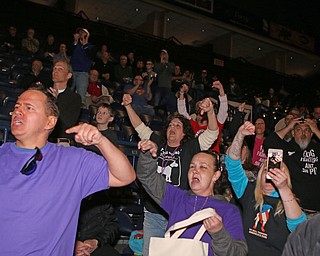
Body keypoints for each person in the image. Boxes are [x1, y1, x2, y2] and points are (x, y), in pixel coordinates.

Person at [0, 85, 136, 255]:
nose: (18, 111)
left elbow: (125, 176)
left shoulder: (72, 161)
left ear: (50, 122)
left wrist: (100, 141)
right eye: (17, 107)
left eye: (29, 108)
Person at [122, 93, 219, 256]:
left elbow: (213, 133)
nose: (172, 128)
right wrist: (127, 106)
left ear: (184, 133)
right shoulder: (157, 143)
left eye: (178, 126)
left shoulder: (190, 148)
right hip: (153, 213)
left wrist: (210, 112)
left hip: (180, 215)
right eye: (170, 125)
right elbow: (139, 126)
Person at [136, 140, 248, 256]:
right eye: (192, 166)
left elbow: (239, 253)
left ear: (215, 175)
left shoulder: (228, 210)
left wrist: (219, 233)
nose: (195, 170)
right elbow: (147, 177)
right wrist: (148, 154)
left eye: (203, 167)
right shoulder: (177, 198)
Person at [226, 121, 306, 255]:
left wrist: (283, 188)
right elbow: (232, 165)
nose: (270, 174)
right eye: (266, 170)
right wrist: (240, 135)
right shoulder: (248, 192)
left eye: (276, 171)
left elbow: (299, 228)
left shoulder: (289, 204)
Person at [264, 116, 320, 216]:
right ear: (293, 133)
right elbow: (269, 143)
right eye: (299, 130)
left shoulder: (317, 149)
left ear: (312, 134)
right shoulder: (286, 148)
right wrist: (288, 127)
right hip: (293, 208)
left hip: (316, 211)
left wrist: (316, 129)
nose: (303, 133)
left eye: (307, 130)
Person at [178, 80, 228, 153]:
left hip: (212, 157)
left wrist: (221, 89)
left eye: (205, 111)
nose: (202, 113)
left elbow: (223, 110)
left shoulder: (216, 124)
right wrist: (181, 93)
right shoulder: (193, 125)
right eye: (199, 111)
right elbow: (182, 112)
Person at [75, 190, 120, 256]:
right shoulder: (61, 195)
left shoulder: (100, 196)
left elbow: (112, 225)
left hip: (93, 244)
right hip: (64, 245)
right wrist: (73, 244)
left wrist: (96, 242)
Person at [48, 58, 82, 140]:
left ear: (69, 75)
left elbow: (69, 122)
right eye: (54, 69)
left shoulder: (74, 98)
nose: (55, 71)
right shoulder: (44, 93)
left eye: (60, 69)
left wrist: (56, 101)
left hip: (61, 141)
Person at [70, 27, 96, 105]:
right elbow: (70, 53)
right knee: (69, 91)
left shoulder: (91, 47)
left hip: (83, 73)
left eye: (83, 32)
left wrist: (85, 44)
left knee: (81, 94)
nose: (81, 34)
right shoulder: (75, 45)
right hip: (72, 71)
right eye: (79, 32)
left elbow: (91, 57)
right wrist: (75, 41)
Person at [153, 49, 176, 114]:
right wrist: (162, 63)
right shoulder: (157, 64)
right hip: (159, 85)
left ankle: (164, 111)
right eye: (162, 54)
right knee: (156, 102)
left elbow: (171, 70)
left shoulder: (171, 64)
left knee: (167, 101)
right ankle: (155, 114)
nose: (163, 56)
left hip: (167, 86)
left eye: (165, 54)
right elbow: (157, 70)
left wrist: (167, 63)